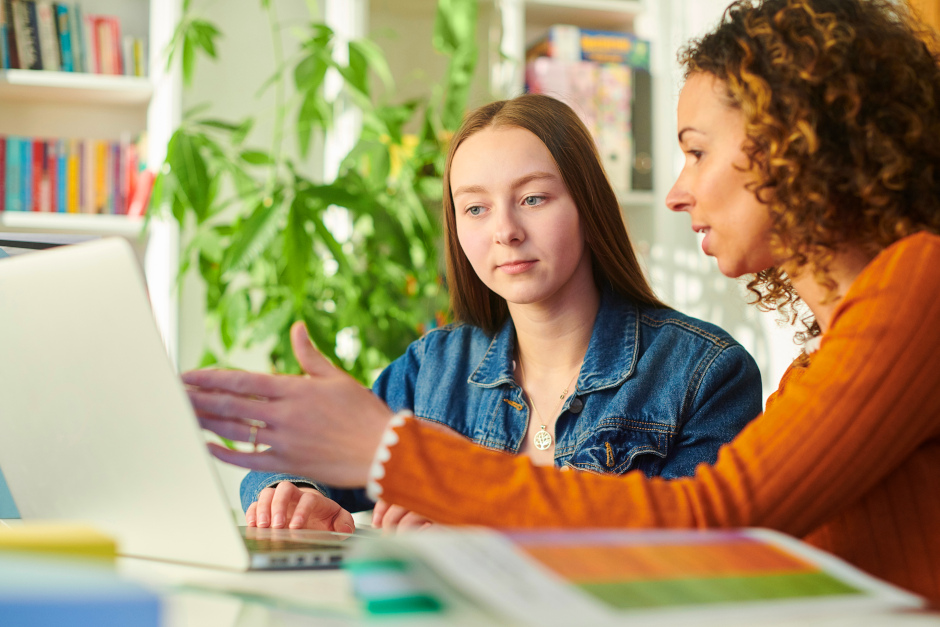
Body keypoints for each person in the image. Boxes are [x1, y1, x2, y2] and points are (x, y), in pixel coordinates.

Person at [185, 0, 940, 601]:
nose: (677, 191)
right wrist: (300, 486)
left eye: (697, 150)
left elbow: (711, 528)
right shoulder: (831, 350)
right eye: (473, 208)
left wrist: (400, 458)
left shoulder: (917, 286)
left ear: (795, 140)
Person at [233, 94, 763, 533]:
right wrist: (294, 494)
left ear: (587, 204)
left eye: (532, 199)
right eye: (476, 208)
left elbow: (694, 560)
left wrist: (478, 532)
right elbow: (298, 458)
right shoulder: (433, 370)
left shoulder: (704, 373)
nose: (504, 231)